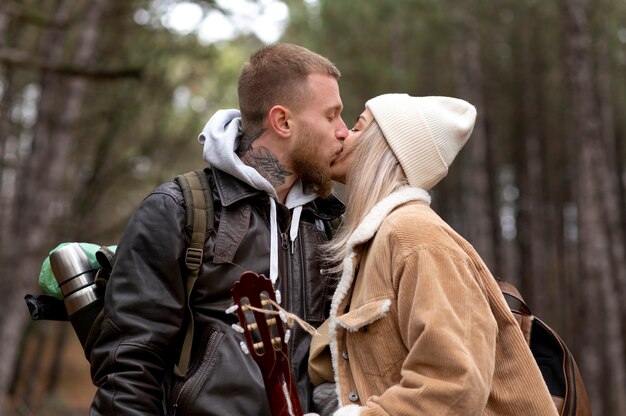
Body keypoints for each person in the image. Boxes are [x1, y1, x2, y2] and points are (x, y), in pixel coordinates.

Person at [89, 43, 349, 415]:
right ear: (283, 121)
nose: (343, 131)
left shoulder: (326, 224)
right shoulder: (179, 210)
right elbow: (127, 368)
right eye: (331, 116)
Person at [309, 93, 559, 415]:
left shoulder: (414, 236)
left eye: (358, 127)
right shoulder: (380, 240)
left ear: (385, 147)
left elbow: (454, 384)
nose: (344, 133)